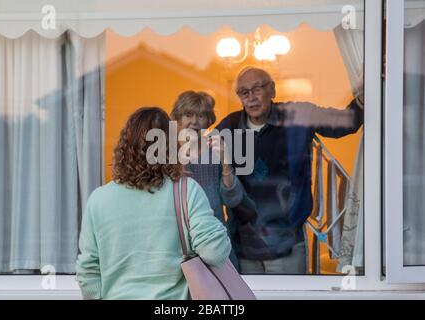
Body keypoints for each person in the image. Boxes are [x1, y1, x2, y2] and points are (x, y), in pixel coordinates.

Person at [216, 67, 364, 274]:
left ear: (272, 91)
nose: (251, 98)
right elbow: (202, 161)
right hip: (243, 245)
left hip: (288, 244)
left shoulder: (298, 116)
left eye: (257, 89)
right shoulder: (229, 126)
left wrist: (365, 92)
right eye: (244, 92)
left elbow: (347, 122)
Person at [75, 107, 231, 299]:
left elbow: (88, 272)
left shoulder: (98, 199)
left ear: (125, 146)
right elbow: (215, 253)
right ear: (172, 146)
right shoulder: (186, 190)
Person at [170, 90, 247, 269]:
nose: (194, 122)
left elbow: (233, 199)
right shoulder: (167, 153)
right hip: (176, 243)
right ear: (178, 118)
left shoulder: (217, 150)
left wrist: (226, 163)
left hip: (213, 240)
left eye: (201, 116)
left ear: (209, 120)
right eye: (188, 115)